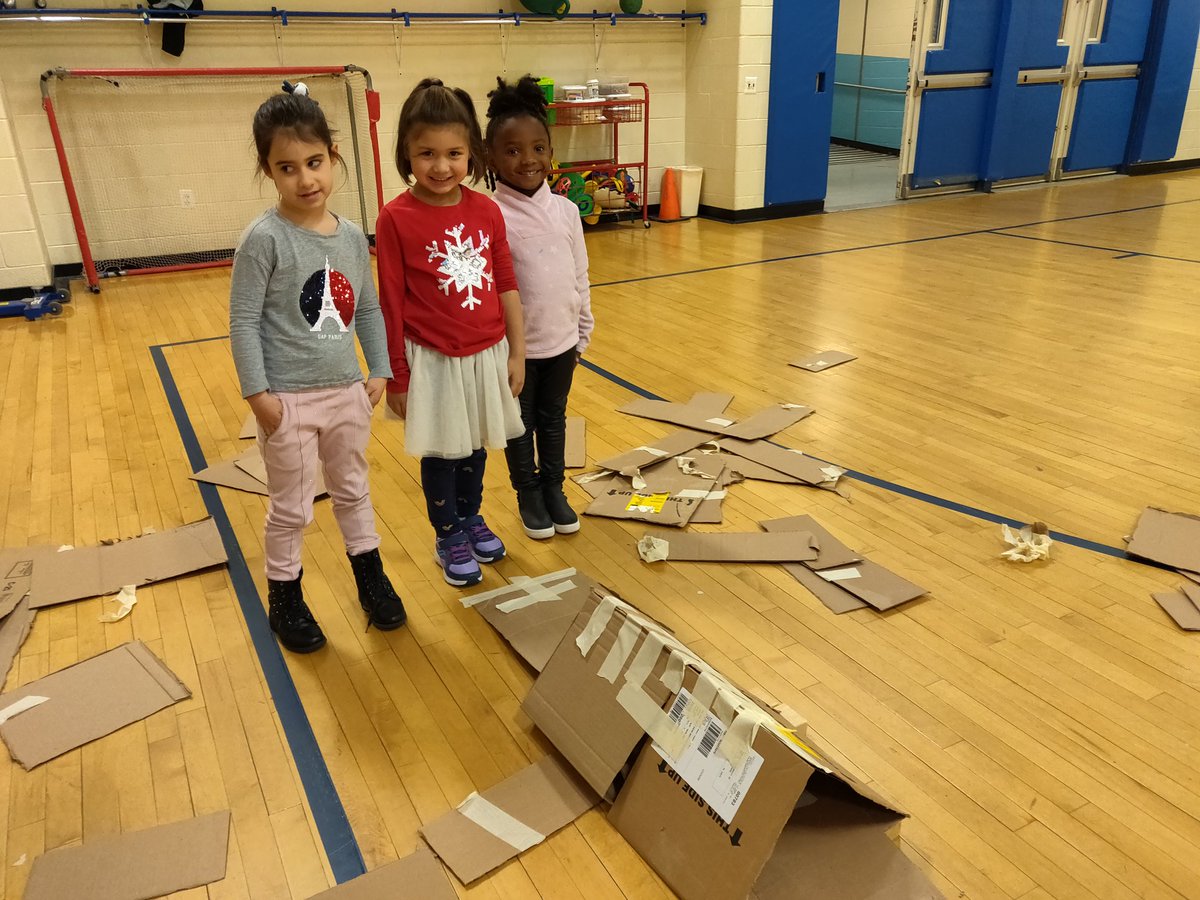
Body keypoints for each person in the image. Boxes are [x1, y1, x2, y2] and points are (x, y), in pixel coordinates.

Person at [229, 81, 407, 653]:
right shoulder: (263, 239)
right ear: (268, 171)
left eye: (314, 163)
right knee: (292, 506)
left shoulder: (353, 237)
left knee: (353, 489)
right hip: (289, 401)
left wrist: (376, 371)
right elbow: (243, 322)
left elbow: (370, 307)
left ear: (333, 157)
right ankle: (285, 597)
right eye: (287, 168)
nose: (305, 180)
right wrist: (260, 396)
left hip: (348, 394)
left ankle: (370, 578)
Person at [376, 78, 526, 588]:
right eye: (427, 154)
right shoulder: (395, 218)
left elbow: (506, 283)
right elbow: (390, 301)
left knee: (478, 445)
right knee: (445, 450)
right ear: (406, 154)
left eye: (454, 153)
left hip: (487, 353)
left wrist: (518, 353)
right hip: (433, 359)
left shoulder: (487, 211)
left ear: (472, 154)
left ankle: (470, 516)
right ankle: (448, 534)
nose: (441, 167)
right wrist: (396, 375)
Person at [486, 75, 594, 539]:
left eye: (538, 148)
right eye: (512, 151)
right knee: (519, 424)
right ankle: (527, 492)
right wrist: (501, 349)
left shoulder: (567, 212)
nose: (527, 160)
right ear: (490, 156)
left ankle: (554, 488)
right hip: (517, 351)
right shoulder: (491, 215)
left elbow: (579, 276)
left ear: (551, 152)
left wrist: (582, 330)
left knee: (554, 420)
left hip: (562, 342)